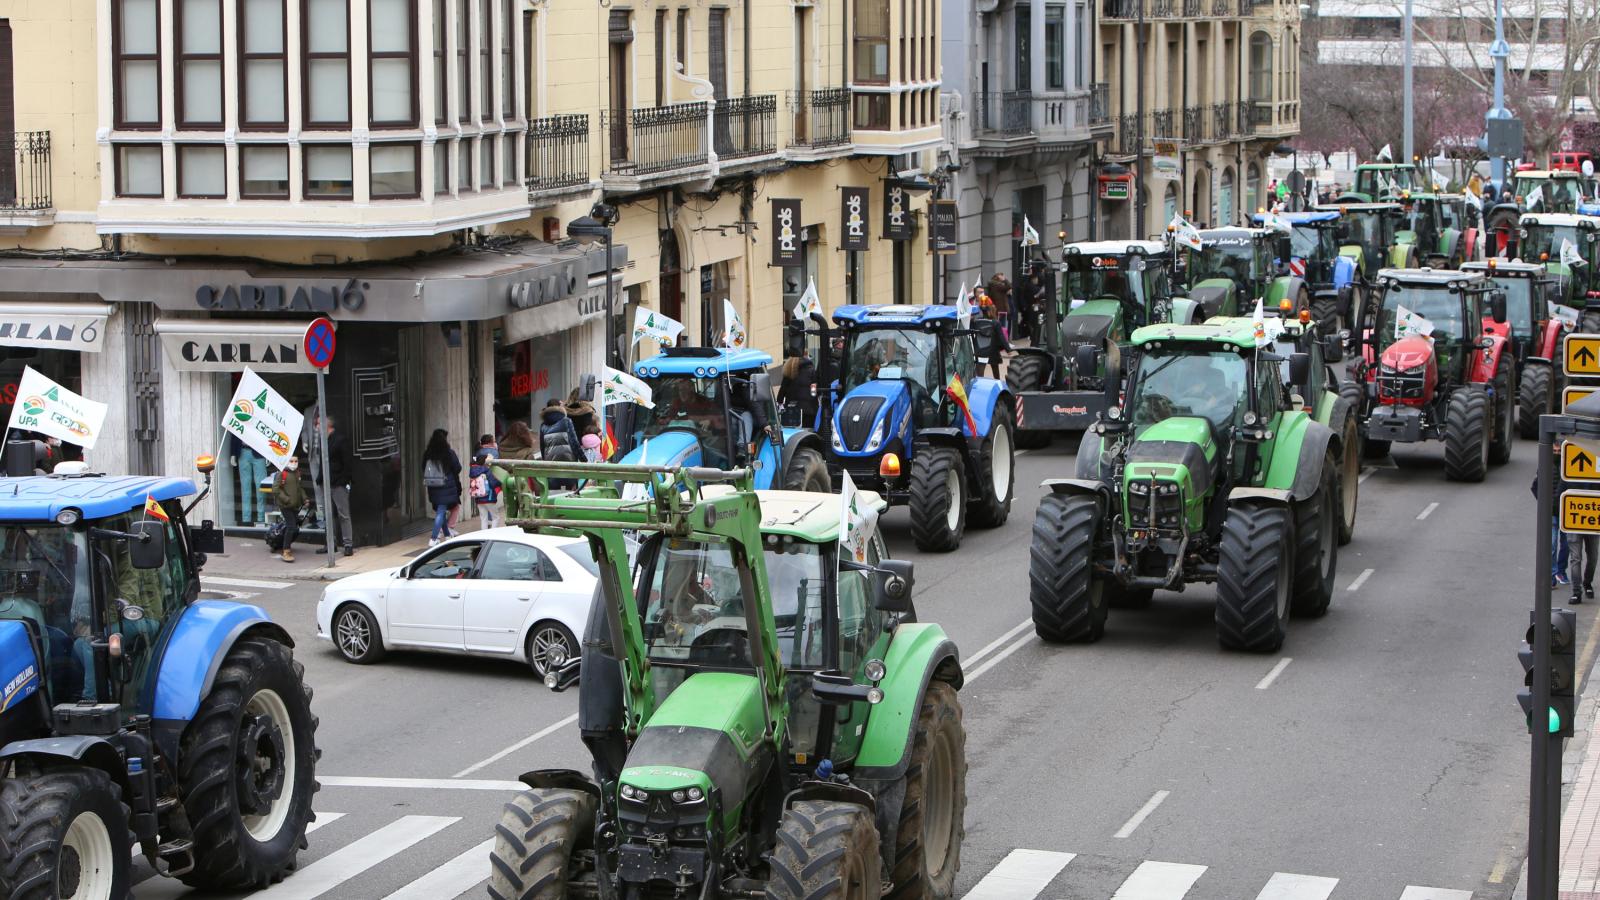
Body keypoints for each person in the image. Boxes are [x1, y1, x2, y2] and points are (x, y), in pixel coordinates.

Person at [317, 416, 356, 556]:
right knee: (328, 514)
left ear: (326, 426)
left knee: (343, 514)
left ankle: (348, 544)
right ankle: (330, 543)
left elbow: (347, 463)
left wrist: (343, 481)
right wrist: (320, 479)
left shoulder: (340, 440)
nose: (316, 428)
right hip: (325, 483)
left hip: (338, 484)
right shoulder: (323, 440)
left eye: (318, 425)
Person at [423, 428, 463, 546]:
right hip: (447, 485)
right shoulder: (449, 452)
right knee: (441, 511)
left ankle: (447, 535)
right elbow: (457, 468)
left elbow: (423, 469)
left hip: (433, 486)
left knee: (441, 509)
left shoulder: (428, 453)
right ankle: (434, 538)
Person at [274, 456, 307, 562]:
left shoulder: (297, 473)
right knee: (291, 526)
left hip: (295, 505)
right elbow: (275, 489)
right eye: (291, 461)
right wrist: (286, 499)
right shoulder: (281, 473)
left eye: (296, 461)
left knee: (292, 526)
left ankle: (284, 544)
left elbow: (299, 488)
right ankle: (286, 550)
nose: (294, 463)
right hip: (285, 505)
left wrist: (305, 498)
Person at [779, 354, 819, 428]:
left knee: (793, 432)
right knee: (808, 432)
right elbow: (814, 392)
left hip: (792, 410)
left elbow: (782, 391)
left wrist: (780, 401)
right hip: (809, 410)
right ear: (805, 356)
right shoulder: (811, 370)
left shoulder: (789, 370)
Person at [469, 452, 501, 530]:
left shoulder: (472, 471)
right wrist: (500, 481)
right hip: (488, 497)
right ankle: (492, 536)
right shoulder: (486, 470)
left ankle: (484, 537)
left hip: (478, 498)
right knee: (496, 517)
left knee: (484, 519)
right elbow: (493, 483)